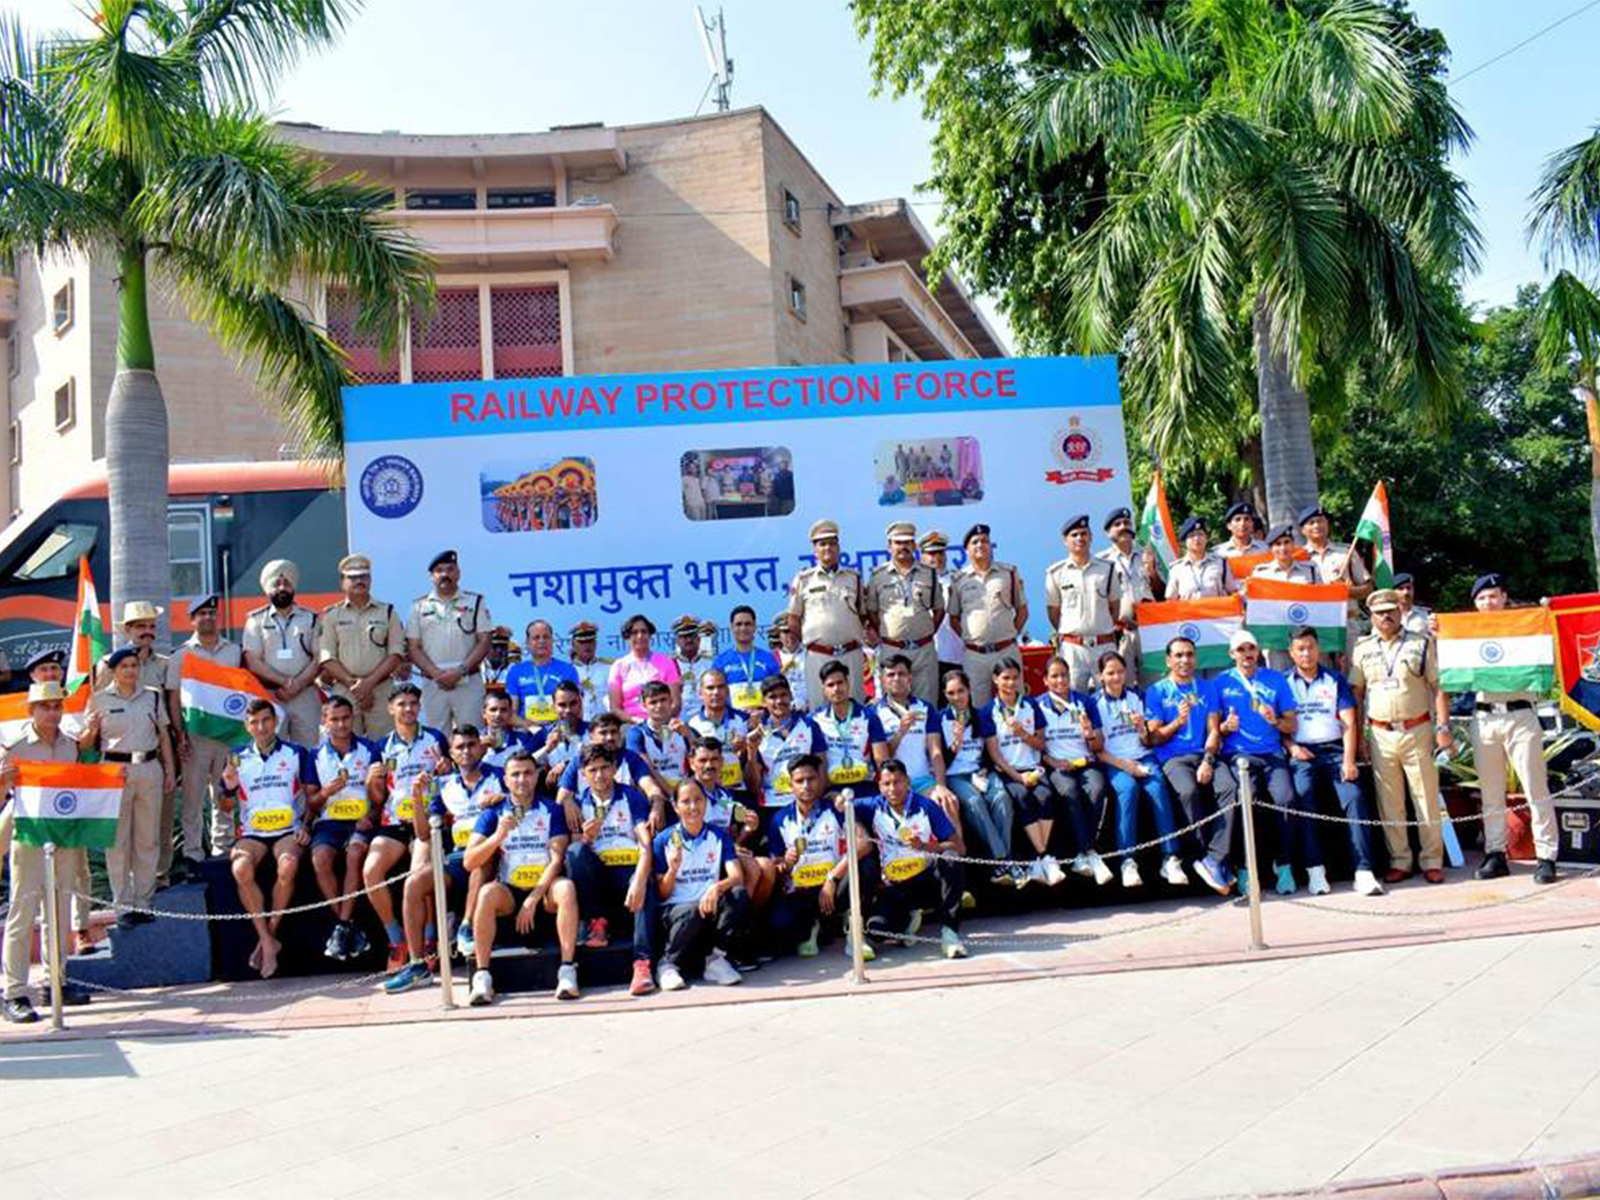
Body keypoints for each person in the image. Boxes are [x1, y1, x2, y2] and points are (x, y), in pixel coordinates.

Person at [385, 725, 505, 993]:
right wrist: (417, 799)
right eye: (460, 747)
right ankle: (418, 966)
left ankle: (465, 928)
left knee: (481, 857)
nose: (466, 751)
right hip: (456, 860)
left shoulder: (500, 777)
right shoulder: (445, 785)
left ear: (482, 747)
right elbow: (424, 834)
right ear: (451, 753)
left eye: (471, 744)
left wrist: (506, 799)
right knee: (414, 883)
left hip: (495, 859)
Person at [1, 683, 93, 1021]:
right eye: (45, 706)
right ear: (31, 710)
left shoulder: (70, 746)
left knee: (58, 912)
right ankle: (13, 992)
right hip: (28, 838)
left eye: (57, 706)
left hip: (62, 838)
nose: (52, 712)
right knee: (22, 911)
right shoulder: (15, 747)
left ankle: (55, 983)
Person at [1348, 589, 1452, 883]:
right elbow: (1357, 694)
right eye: (1380, 612)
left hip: (1416, 729)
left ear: (1400, 611)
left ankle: (1432, 859)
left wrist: (1442, 728)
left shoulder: (1421, 643)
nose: (1386, 616)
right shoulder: (1362, 648)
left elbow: (1439, 688)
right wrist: (1360, 738)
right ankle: (1401, 860)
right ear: (1372, 616)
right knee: (1389, 802)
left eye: (1391, 610)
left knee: (1425, 798)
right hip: (1380, 733)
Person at [462, 751, 581, 1005]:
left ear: (537, 776)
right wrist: (497, 836)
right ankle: (482, 977)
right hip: (510, 890)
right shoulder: (493, 814)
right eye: (515, 774)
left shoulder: (552, 809)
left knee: (567, 888)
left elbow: (556, 858)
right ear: (505, 780)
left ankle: (567, 971)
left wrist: (534, 898)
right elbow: (469, 861)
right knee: (486, 893)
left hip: (544, 889)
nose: (521, 779)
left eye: (528, 773)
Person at [1463, 574, 1559, 884]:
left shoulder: (1523, 627)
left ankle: (1546, 856)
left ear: (1504, 596)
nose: (1488, 602)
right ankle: (1495, 853)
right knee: (1490, 792)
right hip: (1485, 718)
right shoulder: (1467, 634)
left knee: (1534, 788)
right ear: (1474, 604)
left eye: (1493, 596)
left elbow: (1549, 638)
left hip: (1520, 715)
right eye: (1481, 598)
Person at [217, 699, 315, 979]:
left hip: (287, 831)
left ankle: (267, 939)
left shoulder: (296, 753)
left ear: (275, 722)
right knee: (240, 868)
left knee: (288, 867)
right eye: (254, 722)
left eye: (266, 720)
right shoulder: (236, 757)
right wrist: (227, 786)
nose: (261, 727)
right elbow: (225, 806)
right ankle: (268, 940)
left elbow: (311, 796)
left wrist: (306, 826)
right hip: (252, 833)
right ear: (246, 726)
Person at [1284, 626, 1385, 896]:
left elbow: (1349, 723)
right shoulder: (1283, 683)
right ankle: (1315, 871)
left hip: (1335, 751)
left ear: (1318, 649)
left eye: (1311, 647)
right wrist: (1292, 747)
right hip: (1302, 754)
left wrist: (1349, 760)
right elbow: (1279, 727)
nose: (1306, 653)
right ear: (1292, 653)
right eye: (1300, 649)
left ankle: (1364, 871)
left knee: (1355, 797)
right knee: (1303, 798)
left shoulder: (1335, 679)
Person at [82, 647, 175, 927]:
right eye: (124, 666)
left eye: (134, 665)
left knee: (147, 840)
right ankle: (122, 906)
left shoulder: (152, 696)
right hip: (114, 771)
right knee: (118, 842)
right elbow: (85, 744)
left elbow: (163, 734)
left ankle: (144, 903)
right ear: (113, 670)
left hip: (148, 768)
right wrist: (91, 730)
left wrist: (169, 768)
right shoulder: (98, 700)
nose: (130, 671)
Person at [361, 683, 449, 973]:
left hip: (426, 821)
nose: (408, 708)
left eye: (413, 703)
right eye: (402, 704)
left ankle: (428, 941)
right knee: (370, 871)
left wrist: (447, 769)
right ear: (391, 708)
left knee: (420, 874)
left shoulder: (436, 739)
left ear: (420, 706)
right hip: (394, 822)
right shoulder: (380, 746)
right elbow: (378, 798)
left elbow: (450, 780)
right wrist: (371, 782)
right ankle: (396, 940)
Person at [1211, 629, 1303, 895]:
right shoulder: (1221, 682)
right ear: (1232, 655)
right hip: (1238, 755)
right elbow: (1214, 728)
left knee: (1286, 800)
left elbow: (1291, 723)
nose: (1247, 654)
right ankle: (1244, 869)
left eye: (1250, 648)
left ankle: (1283, 865)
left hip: (1272, 754)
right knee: (1245, 802)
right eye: (1240, 650)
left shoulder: (1275, 680)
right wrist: (1227, 728)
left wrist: (1275, 720)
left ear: (1258, 651)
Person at [1143, 637, 1236, 895]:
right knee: (1188, 792)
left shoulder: (1206, 688)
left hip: (1204, 754)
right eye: (1179, 655)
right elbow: (1153, 737)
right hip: (1173, 758)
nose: (1185, 660)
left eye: (1189, 655)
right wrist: (1178, 722)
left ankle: (1215, 859)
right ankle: (1200, 855)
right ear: (1168, 660)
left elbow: (1214, 731)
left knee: (1229, 787)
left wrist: (1207, 761)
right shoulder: (1157, 691)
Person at [563, 744, 657, 996]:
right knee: (575, 852)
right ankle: (597, 921)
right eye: (592, 770)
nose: (600, 775)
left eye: (605, 767)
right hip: (598, 875)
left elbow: (645, 843)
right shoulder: (578, 802)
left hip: (627, 869)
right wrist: (586, 838)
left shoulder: (630, 796)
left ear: (615, 768)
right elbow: (571, 853)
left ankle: (642, 964)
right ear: (583, 773)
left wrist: (638, 879)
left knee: (645, 882)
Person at [1091, 652, 1186, 888]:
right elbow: (1098, 750)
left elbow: (1148, 741)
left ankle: (1170, 858)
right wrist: (1127, 767)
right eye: (1110, 673)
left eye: (1120, 672)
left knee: (1158, 788)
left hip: (1143, 756)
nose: (1116, 677)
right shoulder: (1093, 703)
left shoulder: (1137, 696)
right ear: (1100, 675)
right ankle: (1128, 861)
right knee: (1128, 790)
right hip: (1114, 762)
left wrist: (1141, 730)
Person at [165, 593, 243, 877]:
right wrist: (179, 735)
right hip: (195, 738)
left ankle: (222, 852)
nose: (207, 618)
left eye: (212, 613)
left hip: (226, 736)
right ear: (192, 619)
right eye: (202, 614)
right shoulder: (181, 655)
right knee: (193, 801)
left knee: (224, 794)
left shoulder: (234, 652)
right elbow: (173, 699)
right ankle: (194, 856)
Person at [765, 754, 872, 959]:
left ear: (820, 779)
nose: (806, 785)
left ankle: (854, 932)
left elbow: (865, 842)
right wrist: (786, 862)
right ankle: (816, 926)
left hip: (835, 887)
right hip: (802, 890)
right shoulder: (780, 818)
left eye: (811, 779)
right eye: (799, 781)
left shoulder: (836, 808)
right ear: (790, 784)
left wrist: (832, 877)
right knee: (778, 926)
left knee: (866, 867)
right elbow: (776, 864)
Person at [857, 759, 966, 958]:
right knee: (877, 930)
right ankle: (908, 919)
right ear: (879, 786)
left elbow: (959, 847)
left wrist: (925, 846)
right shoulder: (872, 806)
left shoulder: (926, 806)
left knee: (950, 859)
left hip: (926, 881)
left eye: (897, 782)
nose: (892, 788)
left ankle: (950, 932)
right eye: (886, 784)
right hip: (894, 884)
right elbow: (839, 804)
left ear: (907, 781)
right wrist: (837, 797)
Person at [651, 778, 750, 990]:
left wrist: (716, 887)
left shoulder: (719, 835)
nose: (693, 807)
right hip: (678, 909)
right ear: (676, 807)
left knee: (739, 894)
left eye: (698, 800)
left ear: (706, 803)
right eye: (686, 802)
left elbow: (737, 876)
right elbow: (662, 894)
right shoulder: (664, 840)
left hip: (709, 902)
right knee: (691, 910)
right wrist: (672, 869)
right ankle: (667, 965)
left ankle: (715, 960)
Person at [307, 694, 382, 961]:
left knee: (354, 854)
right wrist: (326, 791)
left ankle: (341, 926)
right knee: (320, 860)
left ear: (354, 718)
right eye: (334, 719)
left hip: (360, 822)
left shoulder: (371, 749)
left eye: (346, 718)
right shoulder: (314, 755)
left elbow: (380, 796)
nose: (341, 725)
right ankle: (345, 923)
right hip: (328, 823)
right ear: (324, 722)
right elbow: (311, 801)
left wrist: (371, 815)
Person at [982, 658, 1066, 886]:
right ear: (995, 680)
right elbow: (994, 754)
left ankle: (1040, 858)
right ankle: (1045, 857)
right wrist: (1017, 777)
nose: (1010, 683)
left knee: (1046, 796)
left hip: (1034, 768)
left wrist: (1023, 734)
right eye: (1005, 678)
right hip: (1009, 771)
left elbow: (1041, 743)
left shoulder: (1030, 705)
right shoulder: (988, 711)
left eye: (1014, 678)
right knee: (1021, 796)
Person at [1035, 655, 1115, 884]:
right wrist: (1052, 762)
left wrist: (1089, 732)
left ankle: (1084, 854)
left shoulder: (1085, 702)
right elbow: (1036, 745)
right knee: (1069, 793)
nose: (1060, 681)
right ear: (1045, 680)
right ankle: (1090, 853)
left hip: (1086, 763)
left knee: (1097, 789)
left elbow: (1098, 745)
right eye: (1054, 676)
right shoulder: (1037, 705)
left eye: (1064, 675)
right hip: (1057, 765)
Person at [932, 669, 1015, 886]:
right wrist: (955, 745)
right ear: (944, 694)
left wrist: (986, 768)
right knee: (974, 802)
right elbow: (940, 761)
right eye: (951, 693)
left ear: (969, 691)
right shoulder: (940, 719)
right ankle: (1003, 860)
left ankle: (1002, 862)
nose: (957, 697)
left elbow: (990, 752)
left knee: (1001, 798)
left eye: (961, 691)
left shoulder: (981, 716)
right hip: (955, 775)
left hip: (979, 772)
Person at [318, 554, 406, 738]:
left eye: (363, 576)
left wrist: (369, 684)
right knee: (347, 747)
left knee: (384, 746)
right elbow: (326, 657)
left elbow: (396, 653)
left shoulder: (387, 612)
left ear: (370, 580)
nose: (359, 581)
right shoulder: (331, 615)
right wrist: (356, 686)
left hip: (381, 689)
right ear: (342, 582)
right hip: (345, 690)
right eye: (352, 577)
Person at [405, 549, 491, 733]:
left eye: (450, 569)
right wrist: (437, 674)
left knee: (472, 736)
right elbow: (413, 647)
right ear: (432, 576)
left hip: (468, 680)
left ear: (458, 573)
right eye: (439, 570)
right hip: (433, 683)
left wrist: (460, 671)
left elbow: (484, 641)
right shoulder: (419, 606)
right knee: (434, 740)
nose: (445, 574)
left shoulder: (475, 602)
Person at [242, 558, 323, 747]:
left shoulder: (311, 618)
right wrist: (285, 683)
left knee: (308, 751)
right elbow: (252, 660)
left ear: (293, 587)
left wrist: (297, 685)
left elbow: (320, 657)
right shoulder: (255, 620)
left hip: (305, 695)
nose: (281, 588)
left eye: (286, 583)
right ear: (268, 589)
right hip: (271, 696)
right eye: (276, 584)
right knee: (273, 751)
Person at [788, 520, 868, 706]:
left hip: (850, 652)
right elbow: (793, 618)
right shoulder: (804, 579)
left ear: (839, 547)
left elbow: (862, 614)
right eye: (822, 544)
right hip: (818, 655)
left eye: (832, 543)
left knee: (856, 707)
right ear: (814, 550)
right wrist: (812, 642)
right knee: (820, 709)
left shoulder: (853, 577)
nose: (827, 548)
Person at [947, 524, 1028, 708]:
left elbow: (1022, 610)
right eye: (975, 542)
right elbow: (953, 618)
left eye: (984, 541)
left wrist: (1010, 635)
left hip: (1006, 649)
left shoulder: (1008, 573)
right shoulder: (959, 579)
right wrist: (972, 638)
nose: (980, 545)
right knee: (977, 706)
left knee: (1015, 702)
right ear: (966, 550)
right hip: (975, 655)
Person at [864, 521, 944, 705]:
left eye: (907, 542)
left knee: (926, 706)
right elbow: (872, 612)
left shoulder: (929, 573)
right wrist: (888, 634)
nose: (903, 547)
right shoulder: (878, 575)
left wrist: (927, 632)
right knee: (893, 708)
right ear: (889, 546)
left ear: (914, 545)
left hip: (923, 650)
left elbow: (939, 609)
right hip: (892, 649)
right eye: (898, 543)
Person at [1045, 513, 1125, 693]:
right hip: (1073, 648)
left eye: (1083, 533)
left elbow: (1114, 606)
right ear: (1065, 540)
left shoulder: (1107, 569)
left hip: (1104, 644)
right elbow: (1054, 612)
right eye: (1074, 535)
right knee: (1071, 696)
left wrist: (1100, 626)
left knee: (1111, 694)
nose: (1079, 538)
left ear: (1090, 537)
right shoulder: (1056, 572)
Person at [1299, 503, 1373, 664]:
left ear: (1328, 525)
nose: (1317, 525)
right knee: (1319, 672)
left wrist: (1348, 591)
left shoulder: (1346, 552)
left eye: (1321, 521)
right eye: (1311, 523)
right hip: (1315, 625)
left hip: (1347, 623)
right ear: (1302, 530)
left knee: (1354, 671)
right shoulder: (1297, 557)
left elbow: (1368, 587)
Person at [745, 674, 826, 815]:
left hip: (807, 801)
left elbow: (822, 767)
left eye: (783, 695)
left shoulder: (809, 725)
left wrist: (816, 800)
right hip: (772, 804)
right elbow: (753, 786)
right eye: (772, 697)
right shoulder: (756, 733)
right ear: (764, 701)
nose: (779, 701)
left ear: (791, 696)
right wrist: (751, 751)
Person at [1249, 523, 1322, 671]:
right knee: (1280, 681)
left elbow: (1321, 602)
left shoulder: (1310, 570)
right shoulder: (1260, 573)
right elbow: (1256, 608)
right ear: (1271, 548)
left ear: (1293, 544)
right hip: (1275, 640)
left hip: (1305, 637)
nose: (1283, 548)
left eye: (1287, 542)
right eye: (1277, 544)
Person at [1097, 508, 1156, 680]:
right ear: (1108, 533)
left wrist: (1153, 572)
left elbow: (1163, 593)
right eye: (1117, 524)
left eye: (1127, 523)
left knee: (1153, 681)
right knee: (1124, 683)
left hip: (1149, 630)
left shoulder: (1149, 555)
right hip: (1120, 632)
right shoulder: (1101, 562)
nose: (1124, 526)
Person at [625, 680, 692, 823]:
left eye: (663, 700)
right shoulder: (636, 733)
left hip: (684, 793)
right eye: (653, 702)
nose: (659, 706)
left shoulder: (684, 728)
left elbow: (701, 759)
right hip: (654, 794)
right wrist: (671, 795)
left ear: (671, 701)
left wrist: (690, 736)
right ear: (644, 705)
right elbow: (646, 769)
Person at [503, 619, 578, 731]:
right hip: (526, 732)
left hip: (559, 730)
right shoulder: (516, 671)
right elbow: (511, 714)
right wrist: (530, 726)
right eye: (536, 638)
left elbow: (576, 709)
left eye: (546, 637)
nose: (541, 641)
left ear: (552, 640)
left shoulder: (568, 670)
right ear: (528, 643)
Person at [608, 614, 681, 721]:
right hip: (631, 724)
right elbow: (615, 708)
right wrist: (636, 721)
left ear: (650, 635)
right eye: (634, 632)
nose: (640, 636)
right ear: (627, 638)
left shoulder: (665, 662)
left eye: (644, 631)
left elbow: (676, 703)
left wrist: (658, 723)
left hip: (663, 723)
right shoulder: (618, 666)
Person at [711, 605, 782, 715]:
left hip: (765, 717)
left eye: (747, 624)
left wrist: (761, 708)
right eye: (738, 624)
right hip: (733, 721)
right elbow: (716, 694)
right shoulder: (721, 661)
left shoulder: (768, 658)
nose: (743, 628)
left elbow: (778, 691)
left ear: (755, 627)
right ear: (731, 627)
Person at [527, 681, 586, 799]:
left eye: (573, 703)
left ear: (580, 703)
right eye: (562, 705)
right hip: (553, 795)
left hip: (586, 793)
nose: (568, 710)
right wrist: (547, 749)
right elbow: (522, 763)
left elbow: (603, 759)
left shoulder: (593, 730)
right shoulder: (544, 733)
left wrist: (567, 764)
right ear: (553, 707)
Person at [94, 601, 169, 690]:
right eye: (141, 627)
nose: (148, 631)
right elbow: (100, 698)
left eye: (152, 627)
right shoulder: (109, 664)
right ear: (127, 630)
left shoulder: (165, 665)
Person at [1165, 517, 1229, 600]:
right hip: (1187, 612)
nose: (1197, 539)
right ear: (1185, 541)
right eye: (1192, 536)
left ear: (1206, 538)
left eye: (1200, 534)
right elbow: (1170, 599)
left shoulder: (1221, 563)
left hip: (1217, 612)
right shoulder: (1176, 568)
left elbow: (1232, 591)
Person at [672, 615, 718, 721]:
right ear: (677, 641)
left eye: (692, 635)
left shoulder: (710, 663)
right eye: (684, 637)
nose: (688, 640)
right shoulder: (670, 665)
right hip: (679, 720)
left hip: (707, 719)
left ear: (699, 638)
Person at [479, 689, 535, 772]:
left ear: (510, 713)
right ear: (484, 713)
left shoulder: (523, 739)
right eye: (493, 710)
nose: (498, 715)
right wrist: (480, 752)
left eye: (503, 710)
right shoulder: (474, 739)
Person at [567, 620, 612, 721]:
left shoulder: (610, 668)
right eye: (582, 642)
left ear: (595, 643)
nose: (587, 646)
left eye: (590, 641)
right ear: (573, 645)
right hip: (579, 725)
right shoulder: (567, 671)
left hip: (606, 724)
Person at [770, 610, 808, 712]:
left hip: (811, 709)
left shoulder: (811, 654)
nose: (790, 636)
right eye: (786, 632)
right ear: (778, 634)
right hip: (783, 711)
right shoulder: (772, 658)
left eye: (793, 631)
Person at [1393, 573, 1431, 638]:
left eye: (1409, 588)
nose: (1406, 592)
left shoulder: (1425, 614)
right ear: (1393, 592)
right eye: (1401, 589)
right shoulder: (1388, 616)